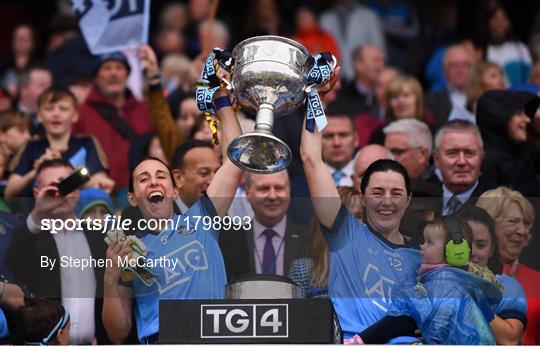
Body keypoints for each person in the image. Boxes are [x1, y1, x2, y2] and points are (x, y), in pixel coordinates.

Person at [102, 65, 244, 343]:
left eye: (160, 176)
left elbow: (236, 160)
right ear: (132, 197)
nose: (153, 182)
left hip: (214, 337)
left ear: (175, 189)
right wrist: (110, 278)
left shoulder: (203, 218)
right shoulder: (128, 252)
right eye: (143, 179)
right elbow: (117, 333)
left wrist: (221, 99)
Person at [302, 95, 422, 340]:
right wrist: (316, 96)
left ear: (408, 200)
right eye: (377, 192)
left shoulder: (422, 256)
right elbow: (311, 159)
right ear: (363, 196)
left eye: (396, 193)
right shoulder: (345, 234)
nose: (387, 201)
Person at [5, 159, 109, 344]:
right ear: (38, 193)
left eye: (66, 184)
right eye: (53, 187)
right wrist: (39, 212)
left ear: (76, 190)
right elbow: (13, 260)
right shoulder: (29, 236)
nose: (60, 193)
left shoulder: (98, 237)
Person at [352, 216, 501, 345]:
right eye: (424, 241)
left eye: (429, 242)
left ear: (455, 251)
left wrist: (433, 338)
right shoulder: (448, 278)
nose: (422, 246)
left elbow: (440, 319)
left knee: (401, 317)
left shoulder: (445, 281)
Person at [6, 88, 113, 199]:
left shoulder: (87, 143)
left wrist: (69, 172)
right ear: (39, 116)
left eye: (63, 109)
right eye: (49, 109)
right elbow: (9, 192)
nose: (56, 114)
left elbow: (99, 182)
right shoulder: (31, 146)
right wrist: (37, 170)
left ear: (75, 115)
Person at [74, 52, 153, 191]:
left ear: (127, 75)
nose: (113, 73)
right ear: (96, 77)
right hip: (99, 192)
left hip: (140, 192)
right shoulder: (80, 114)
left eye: (119, 68)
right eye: (107, 68)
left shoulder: (144, 110)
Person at [477, 187, 540, 345]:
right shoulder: (462, 273)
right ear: (488, 224)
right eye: (513, 221)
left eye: (526, 224)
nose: (522, 231)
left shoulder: (537, 280)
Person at [459, 206, 527, 345]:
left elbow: (510, 340)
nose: (472, 252)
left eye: (480, 245)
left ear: (491, 250)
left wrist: (466, 297)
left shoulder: (507, 286)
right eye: (464, 243)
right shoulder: (434, 281)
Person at [220, 171, 307, 279]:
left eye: (279, 188)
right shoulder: (232, 240)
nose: (272, 196)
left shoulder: (308, 239)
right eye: (264, 189)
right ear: (247, 193)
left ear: (289, 192)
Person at [288, 186, 361, 298]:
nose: (360, 223)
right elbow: (293, 314)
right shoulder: (302, 271)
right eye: (352, 217)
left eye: (363, 216)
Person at [476, 90, 540, 196]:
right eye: (519, 113)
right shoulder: (484, 163)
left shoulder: (525, 150)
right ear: (499, 118)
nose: (527, 119)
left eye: (525, 113)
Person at [432, 120, 488, 215]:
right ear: (436, 159)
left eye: (469, 153)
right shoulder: (418, 201)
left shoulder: (498, 206)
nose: (461, 162)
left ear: (481, 158)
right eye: (452, 153)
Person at [369, 75, 435, 145]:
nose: (401, 101)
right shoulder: (379, 136)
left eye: (406, 95)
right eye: (395, 97)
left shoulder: (432, 133)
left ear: (418, 100)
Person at [425, 44, 474, 125]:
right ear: (444, 70)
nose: (460, 70)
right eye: (454, 65)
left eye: (465, 65)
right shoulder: (431, 100)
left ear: (472, 69)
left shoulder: (481, 98)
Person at [335, 45, 385, 116]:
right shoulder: (339, 94)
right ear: (359, 64)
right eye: (376, 61)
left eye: (382, 61)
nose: (381, 66)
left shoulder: (388, 94)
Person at [321, 112, 358, 187]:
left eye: (343, 135)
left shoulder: (371, 180)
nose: (336, 143)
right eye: (329, 136)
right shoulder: (301, 183)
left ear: (356, 139)